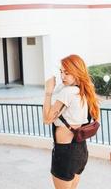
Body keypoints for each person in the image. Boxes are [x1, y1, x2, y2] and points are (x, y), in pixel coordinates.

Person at [43, 54, 100, 189]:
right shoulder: (85, 91)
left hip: (65, 153)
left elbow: (46, 119)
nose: (62, 77)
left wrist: (48, 92)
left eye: (67, 73)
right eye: (61, 72)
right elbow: (96, 118)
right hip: (81, 151)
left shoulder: (68, 93)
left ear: (77, 72)